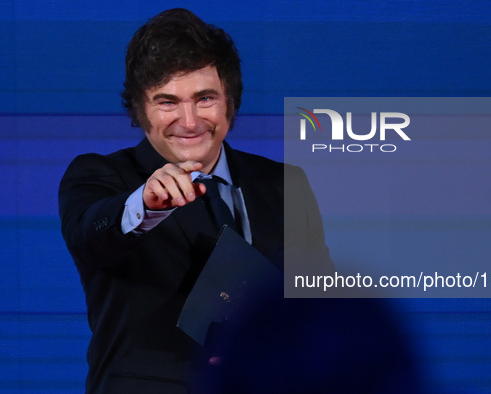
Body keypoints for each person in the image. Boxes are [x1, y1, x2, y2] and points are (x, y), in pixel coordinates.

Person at [59, 8, 330, 393]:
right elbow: (90, 238)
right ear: (140, 110)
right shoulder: (103, 177)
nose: (189, 121)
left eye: (205, 98)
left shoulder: (286, 183)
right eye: (167, 102)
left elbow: (320, 297)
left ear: (230, 103)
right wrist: (146, 206)